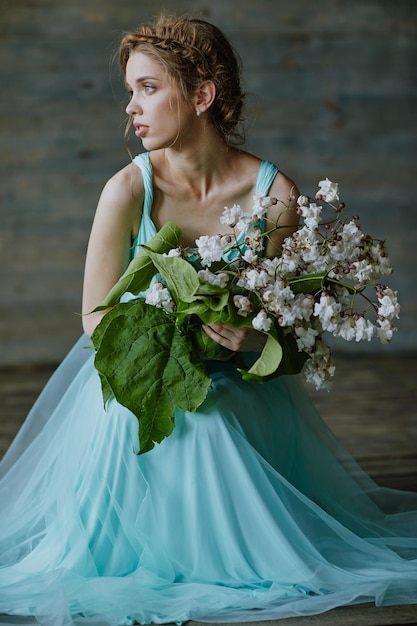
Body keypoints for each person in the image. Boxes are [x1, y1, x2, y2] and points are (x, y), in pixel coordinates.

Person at [0, 14, 416, 626]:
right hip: (139, 368)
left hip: (236, 377)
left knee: (215, 410)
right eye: (129, 92)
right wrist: (167, 336)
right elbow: (94, 319)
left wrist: (251, 339)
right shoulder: (128, 191)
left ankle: (229, 554)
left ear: (201, 95)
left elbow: (286, 325)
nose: (131, 109)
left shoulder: (273, 197)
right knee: (185, 418)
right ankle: (166, 553)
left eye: (148, 89)